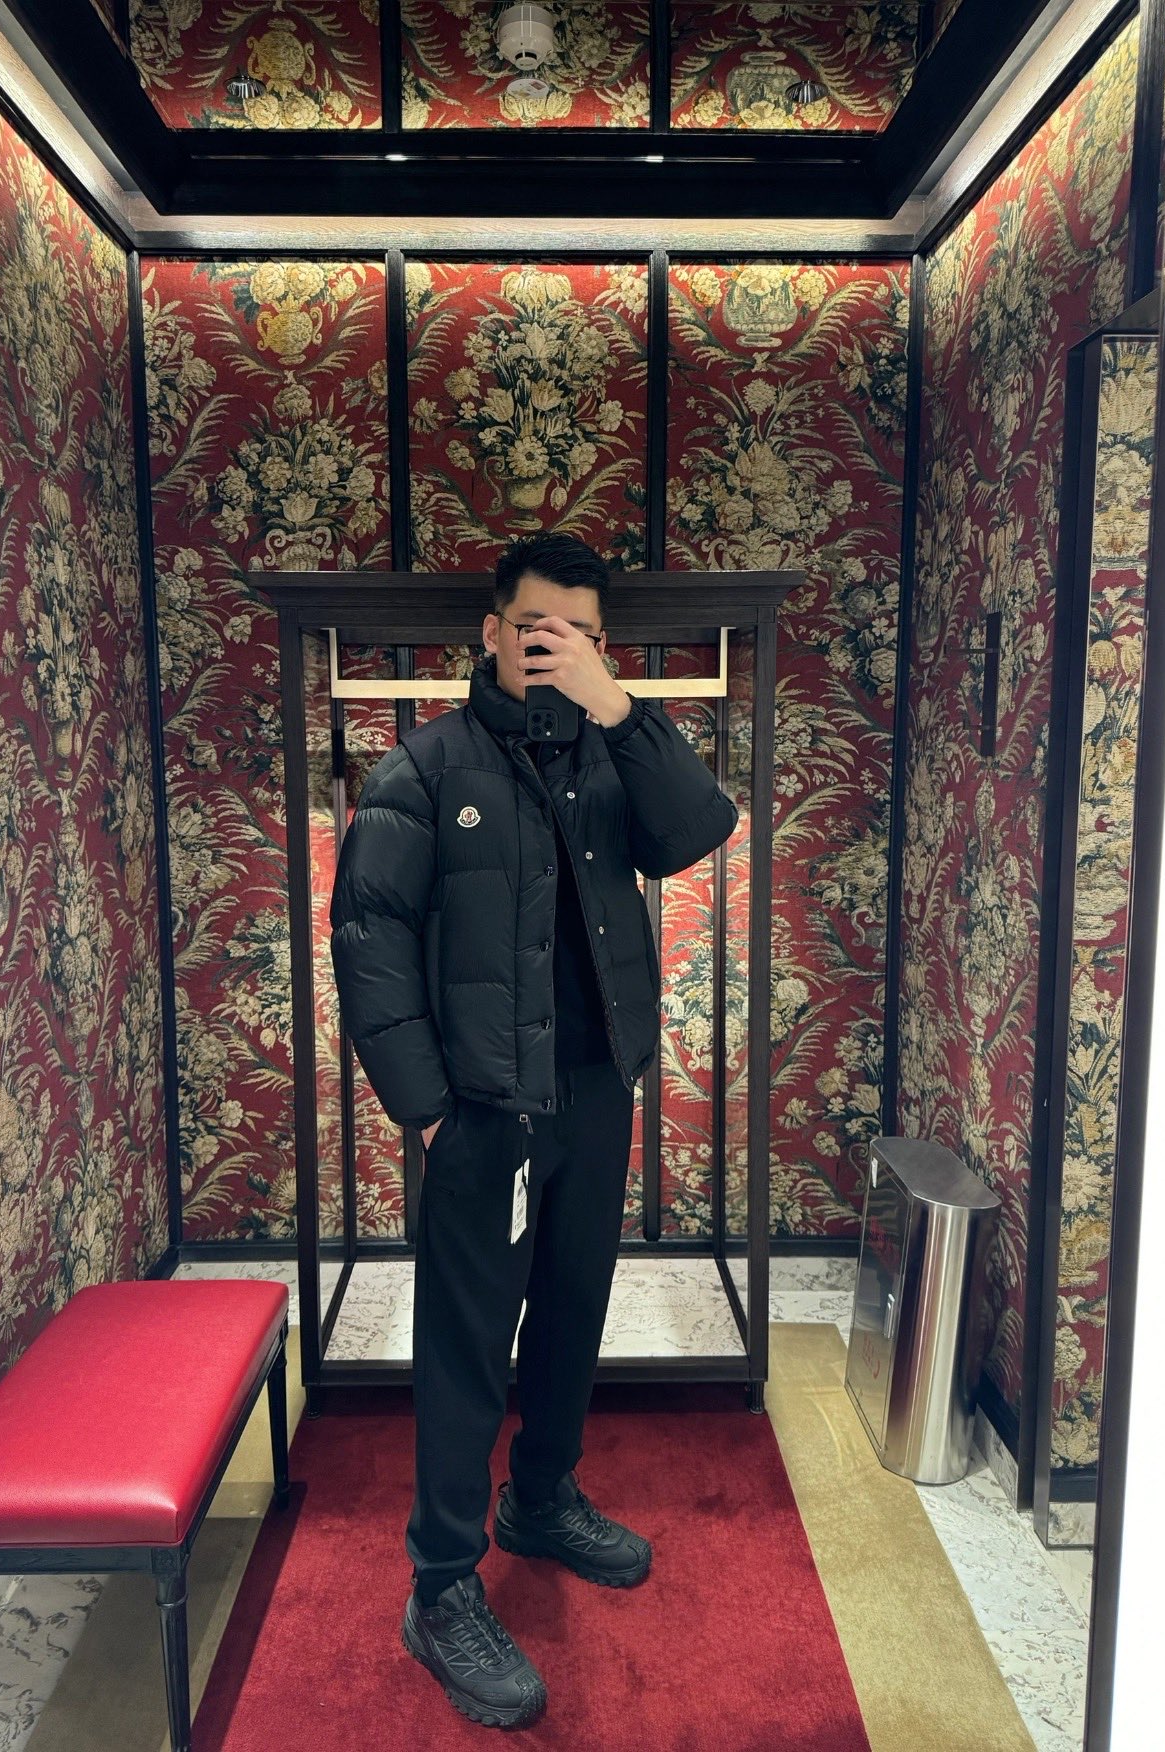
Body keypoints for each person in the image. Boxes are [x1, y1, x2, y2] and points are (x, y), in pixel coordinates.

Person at [329, 532, 740, 1730]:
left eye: (580, 633)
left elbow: (698, 827)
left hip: (597, 1092)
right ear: (490, 634)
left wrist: (621, 708)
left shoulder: (613, 760)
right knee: (466, 1345)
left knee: (573, 1308)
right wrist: (428, 1113)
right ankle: (441, 1586)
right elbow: (369, 945)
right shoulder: (421, 770)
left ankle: (542, 1497)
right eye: (535, 629)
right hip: (482, 1112)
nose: (554, 649)